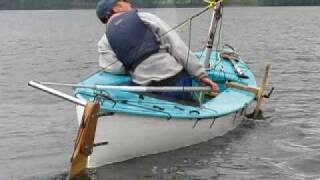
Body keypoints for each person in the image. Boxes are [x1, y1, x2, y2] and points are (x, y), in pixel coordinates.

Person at [96, 0, 218, 100]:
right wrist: (201, 76)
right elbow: (177, 47)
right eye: (124, 1)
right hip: (177, 81)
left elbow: (116, 68)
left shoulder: (104, 42)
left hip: (149, 89)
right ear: (115, 9)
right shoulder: (145, 17)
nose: (129, 3)